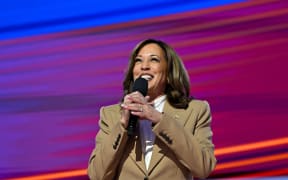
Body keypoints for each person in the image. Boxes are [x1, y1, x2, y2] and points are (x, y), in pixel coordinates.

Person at [88, 39, 217, 180]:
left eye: (154, 59)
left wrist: (159, 119)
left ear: (169, 73)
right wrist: (122, 126)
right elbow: (96, 175)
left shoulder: (195, 110)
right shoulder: (110, 115)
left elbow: (204, 168)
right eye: (138, 61)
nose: (144, 66)